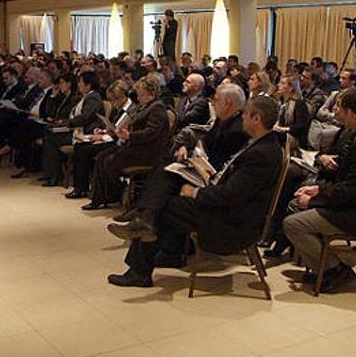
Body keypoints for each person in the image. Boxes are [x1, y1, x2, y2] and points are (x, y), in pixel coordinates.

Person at [105, 95, 283, 288]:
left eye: (246, 114)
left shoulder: (262, 154)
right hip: (228, 207)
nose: (242, 118)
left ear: (257, 119)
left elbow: (231, 195)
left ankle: (142, 263)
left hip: (234, 223)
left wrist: (195, 193)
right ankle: (146, 223)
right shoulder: (261, 143)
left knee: (166, 206)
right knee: (169, 176)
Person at [283, 87, 356, 293]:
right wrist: (318, 190)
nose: (337, 112)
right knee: (295, 205)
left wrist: (314, 200)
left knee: (293, 224)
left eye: (341, 109)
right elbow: (348, 181)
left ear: (352, 113)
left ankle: (334, 269)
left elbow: (350, 190)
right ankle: (321, 266)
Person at [85, 75, 170, 209]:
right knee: (101, 157)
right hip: (135, 146)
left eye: (141, 95)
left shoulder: (157, 108)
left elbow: (151, 133)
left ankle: (112, 194)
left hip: (147, 152)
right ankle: (100, 197)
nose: (138, 98)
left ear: (152, 93)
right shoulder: (145, 106)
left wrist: (130, 135)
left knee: (110, 160)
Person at [274, 74, 311, 149]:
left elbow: (301, 127)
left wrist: (283, 129)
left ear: (291, 88)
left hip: (294, 137)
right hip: (281, 132)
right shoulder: (280, 101)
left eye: (282, 83)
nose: (278, 85)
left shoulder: (299, 103)